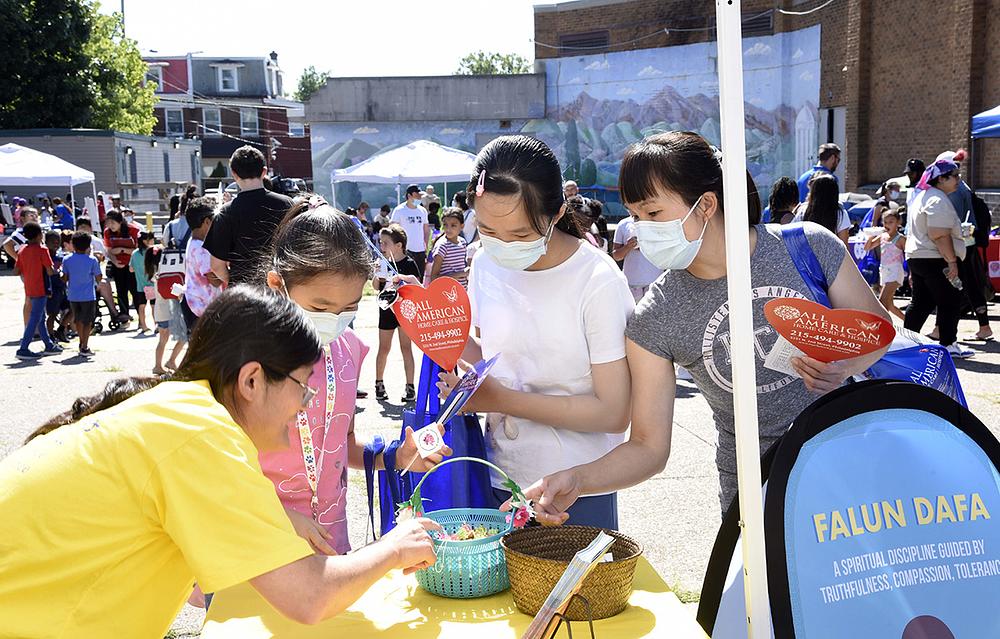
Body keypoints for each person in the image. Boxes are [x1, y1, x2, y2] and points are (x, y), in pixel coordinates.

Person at [0, 286, 442, 636]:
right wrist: (395, 547)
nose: (306, 405)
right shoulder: (203, 433)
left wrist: (276, 517)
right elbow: (310, 597)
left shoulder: (180, 410)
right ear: (252, 380)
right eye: (303, 387)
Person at [518, 131, 891, 521]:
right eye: (634, 216)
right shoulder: (656, 315)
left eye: (654, 213)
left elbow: (877, 332)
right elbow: (647, 447)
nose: (641, 229)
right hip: (759, 495)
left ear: (706, 204)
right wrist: (577, 478)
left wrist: (843, 365)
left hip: (856, 467)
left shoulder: (809, 246)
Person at [436, 135, 634, 530]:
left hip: (574, 490)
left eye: (521, 235)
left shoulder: (596, 280)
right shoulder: (486, 263)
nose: (503, 245)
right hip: (495, 477)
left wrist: (501, 398)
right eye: (489, 230)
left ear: (557, 212)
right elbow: (494, 354)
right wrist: (439, 337)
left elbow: (613, 412)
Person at [258, 201, 450, 558]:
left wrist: (394, 456)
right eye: (319, 308)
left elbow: (340, 445)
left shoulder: (348, 350)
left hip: (330, 544)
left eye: (348, 309)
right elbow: (213, 469)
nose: (333, 320)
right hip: (257, 542)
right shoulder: (244, 358)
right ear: (277, 285)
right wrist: (278, 515)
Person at [903, 159, 973, 358]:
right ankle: (948, 343)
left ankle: (905, 342)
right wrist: (952, 261)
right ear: (941, 179)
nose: (959, 179)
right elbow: (938, 234)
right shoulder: (937, 199)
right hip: (935, 258)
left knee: (922, 302)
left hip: (919, 257)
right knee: (950, 300)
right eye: (955, 176)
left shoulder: (923, 197)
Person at [204, 146, 294, 286]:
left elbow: (216, 265)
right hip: (279, 289)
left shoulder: (226, 212)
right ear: (264, 172)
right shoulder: (287, 205)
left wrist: (233, 281)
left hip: (243, 292)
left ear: (234, 174)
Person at [374, 224, 420, 403]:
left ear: (399, 245)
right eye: (380, 243)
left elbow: (416, 288)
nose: (382, 247)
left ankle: (410, 387)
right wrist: (378, 277)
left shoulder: (409, 264)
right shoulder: (381, 262)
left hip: (404, 310)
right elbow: (376, 287)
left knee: (406, 348)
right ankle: (379, 383)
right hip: (386, 309)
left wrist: (400, 283)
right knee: (383, 348)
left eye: (386, 243)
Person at [13, 222, 61, 360]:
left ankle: (49, 345)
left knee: (40, 317)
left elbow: (16, 271)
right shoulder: (42, 250)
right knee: (35, 318)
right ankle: (23, 348)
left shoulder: (22, 250)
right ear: (40, 235)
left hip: (29, 287)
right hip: (41, 287)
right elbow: (50, 271)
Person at [182, 197, 222, 334]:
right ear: (206, 222)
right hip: (203, 309)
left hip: (194, 304)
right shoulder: (202, 248)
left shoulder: (192, 242)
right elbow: (215, 281)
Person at [62, 231, 103, 356]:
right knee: (88, 322)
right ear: (88, 246)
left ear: (73, 245)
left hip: (73, 295)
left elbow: (65, 278)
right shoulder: (92, 260)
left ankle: (81, 342)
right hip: (88, 296)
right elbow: (99, 277)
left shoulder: (67, 259)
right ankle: (85, 346)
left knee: (78, 320)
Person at [863, 209, 907, 320]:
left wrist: (910, 273)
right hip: (884, 271)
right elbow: (867, 247)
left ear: (898, 222)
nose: (887, 225)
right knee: (890, 305)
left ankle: (880, 325)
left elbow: (909, 256)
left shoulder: (901, 239)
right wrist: (872, 235)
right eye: (885, 222)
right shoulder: (882, 236)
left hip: (895, 271)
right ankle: (910, 324)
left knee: (882, 302)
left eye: (891, 222)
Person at [612, 212, 663, 302]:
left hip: (655, 282)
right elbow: (616, 256)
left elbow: (667, 249)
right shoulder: (623, 224)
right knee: (632, 315)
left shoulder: (658, 222)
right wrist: (628, 247)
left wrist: (647, 246)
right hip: (631, 282)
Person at [4, 206, 41, 327]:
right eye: (31, 215)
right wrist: (19, 260)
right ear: (23, 218)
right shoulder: (22, 232)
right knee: (30, 298)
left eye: (36, 215)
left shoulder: (37, 230)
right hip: (29, 270)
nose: (34, 217)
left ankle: (36, 327)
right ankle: (28, 327)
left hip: (38, 268)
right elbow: (7, 245)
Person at [103, 209, 141, 324]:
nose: (110, 226)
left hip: (133, 265)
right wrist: (115, 262)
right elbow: (109, 250)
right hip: (117, 265)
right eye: (108, 223)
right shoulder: (107, 232)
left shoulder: (133, 230)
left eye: (113, 223)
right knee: (121, 291)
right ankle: (124, 317)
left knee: (135, 291)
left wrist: (122, 249)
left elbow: (138, 250)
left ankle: (141, 318)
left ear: (120, 221)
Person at [793, 174, 851, 245]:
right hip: (831, 254)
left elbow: (793, 236)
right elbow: (844, 245)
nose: (808, 194)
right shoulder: (840, 214)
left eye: (810, 192)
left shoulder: (803, 212)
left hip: (807, 254)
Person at [390, 185, 431, 278]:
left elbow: (426, 229)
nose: (419, 197)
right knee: (405, 277)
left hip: (420, 250)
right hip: (405, 250)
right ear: (409, 195)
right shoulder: (399, 210)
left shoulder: (422, 210)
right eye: (417, 195)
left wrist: (426, 245)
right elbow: (392, 229)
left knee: (419, 277)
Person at [428, 208, 469, 286]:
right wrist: (460, 274)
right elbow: (434, 278)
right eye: (445, 225)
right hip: (447, 294)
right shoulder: (442, 246)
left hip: (462, 292)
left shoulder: (463, 242)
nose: (448, 229)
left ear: (462, 226)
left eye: (453, 225)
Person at [43, 230, 71, 342]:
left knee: (72, 308)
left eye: (58, 241)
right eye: (53, 241)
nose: (56, 244)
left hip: (62, 288)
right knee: (52, 314)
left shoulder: (61, 256)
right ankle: (50, 336)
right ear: (46, 242)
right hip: (52, 290)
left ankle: (61, 329)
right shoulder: (44, 256)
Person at [129, 231, 155, 334]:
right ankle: (156, 324)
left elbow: (131, 269)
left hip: (140, 285)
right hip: (152, 283)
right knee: (154, 306)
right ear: (145, 241)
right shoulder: (152, 252)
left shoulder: (135, 253)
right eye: (151, 239)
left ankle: (143, 325)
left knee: (142, 306)